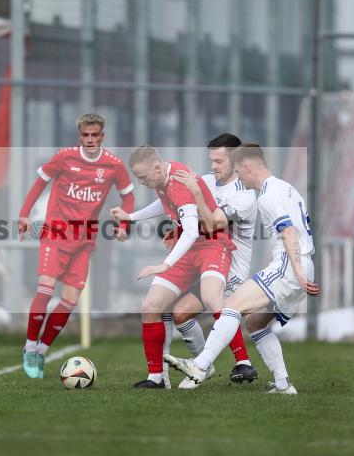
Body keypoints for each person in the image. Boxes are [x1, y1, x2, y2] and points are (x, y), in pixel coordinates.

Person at [166, 144, 319, 394]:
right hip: (300, 265)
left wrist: (297, 270)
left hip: (290, 266)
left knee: (230, 306)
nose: (238, 177)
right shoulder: (286, 188)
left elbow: (289, 231)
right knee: (256, 323)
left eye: (238, 171)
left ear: (247, 166)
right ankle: (282, 385)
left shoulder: (268, 195)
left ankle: (200, 365)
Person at [18, 113, 134, 378]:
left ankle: (42, 351)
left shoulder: (113, 165)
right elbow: (40, 183)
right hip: (56, 233)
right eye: (85, 135)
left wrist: (124, 225)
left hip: (85, 240)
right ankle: (29, 347)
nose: (90, 139)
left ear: (102, 136)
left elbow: (128, 197)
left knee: (69, 300)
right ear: (79, 136)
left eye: (95, 135)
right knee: (46, 291)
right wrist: (24, 214)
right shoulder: (65, 157)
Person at [111, 146, 234, 389]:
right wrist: (131, 217)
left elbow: (190, 232)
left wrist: (164, 265)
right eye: (138, 178)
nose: (141, 182)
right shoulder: (165, 177)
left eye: (143, 177)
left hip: (209, 245)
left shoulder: (177, 182)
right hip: (189, 248)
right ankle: (156, 378)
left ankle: (238, 361)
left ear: (157, 168)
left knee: (211, 300)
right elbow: (164, 204)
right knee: (151, 307)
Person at [167, 133, 259, 388]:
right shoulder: (207, 181)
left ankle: (241, 362)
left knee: (226, 309)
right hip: (207, 263)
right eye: (211, 160)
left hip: (232, 269)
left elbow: (211, 223)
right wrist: (176, 228)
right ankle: (203, 365)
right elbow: (186, 211)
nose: (213, 166)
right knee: (180, 315)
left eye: (219, 161)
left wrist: (196, 191)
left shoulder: (244, 194)